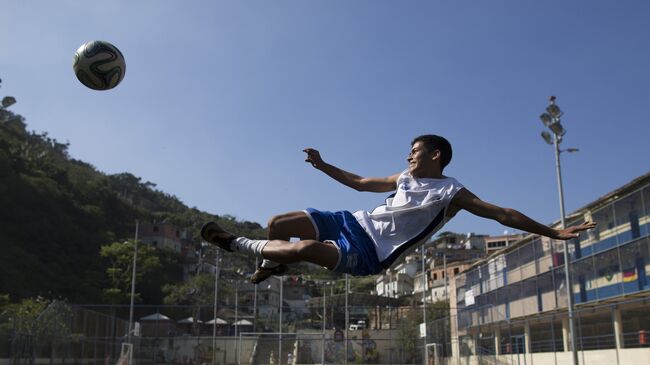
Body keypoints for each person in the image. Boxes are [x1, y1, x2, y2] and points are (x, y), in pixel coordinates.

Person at [201, 134, 596, 284]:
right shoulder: (402, 178)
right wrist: (323, 165)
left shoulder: (452, 193)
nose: (408, 155)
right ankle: (273, 266)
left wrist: (554, 231)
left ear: (435, 156)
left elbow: (503, 214)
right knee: (277, 222)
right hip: (351, 222)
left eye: (416, 151)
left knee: (305, 250)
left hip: (371, 253)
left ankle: (233, 243)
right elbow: (359, 182)